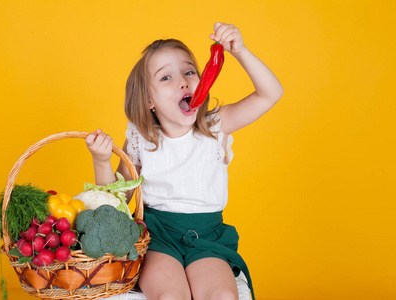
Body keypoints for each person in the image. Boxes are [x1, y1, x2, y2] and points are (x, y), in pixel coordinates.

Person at [85, 22, 283, 300]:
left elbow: (271, 93)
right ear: (148, 100)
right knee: (169, 295)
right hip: (157, 238)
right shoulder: (142, 138)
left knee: (223, 296)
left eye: (190, 72)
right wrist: (101, 160)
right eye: (165, 78)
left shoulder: (216, 126)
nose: (183, 80)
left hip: (208, 239)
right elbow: (114, 204)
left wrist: (240, 51)